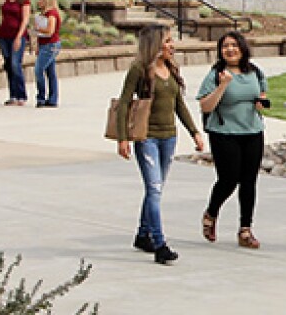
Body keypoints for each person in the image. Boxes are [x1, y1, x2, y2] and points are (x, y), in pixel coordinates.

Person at [115, 25, 204, 265]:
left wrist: (194, 132)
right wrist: (123, 138)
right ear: (155, 44)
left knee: (156, 188)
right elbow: (124, 104)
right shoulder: (139, 70)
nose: (172, 45)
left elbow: (179, 105)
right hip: (147, 138)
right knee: (154, 189)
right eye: (167, 41)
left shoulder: (171, 69)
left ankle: (143, 234)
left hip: (169, 137)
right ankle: (159, 243)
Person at [197, 31, 268, 250]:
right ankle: (211, 213)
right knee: (228, 179)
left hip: (252, 131)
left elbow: (262, 94)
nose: (230, 49)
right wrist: (223, 86)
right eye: (225, 46)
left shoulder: (254, 71)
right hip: (224, 132)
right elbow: (205, 106)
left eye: (234, 45)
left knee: (249, 181)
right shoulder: (216, 74)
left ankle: (245, 229)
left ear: (242, 48)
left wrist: (261, 103)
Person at [0, 0, 31, 106]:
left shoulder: (24, 0)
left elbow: (25, 19)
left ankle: (21, 94)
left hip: (17, 34)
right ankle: (13, 94)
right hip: (4, 34)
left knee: (15, 64)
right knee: (8, 64)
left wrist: (19, 36)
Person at [34, 0, 61, 108]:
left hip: (50, 45)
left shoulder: (52, 14)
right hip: (44, 44)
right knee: (50, 72)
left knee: (38, 70)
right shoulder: (44, 14)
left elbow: (50, 31)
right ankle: (52, 98)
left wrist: (38, 29)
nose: (38, 2)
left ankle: (41, 97)